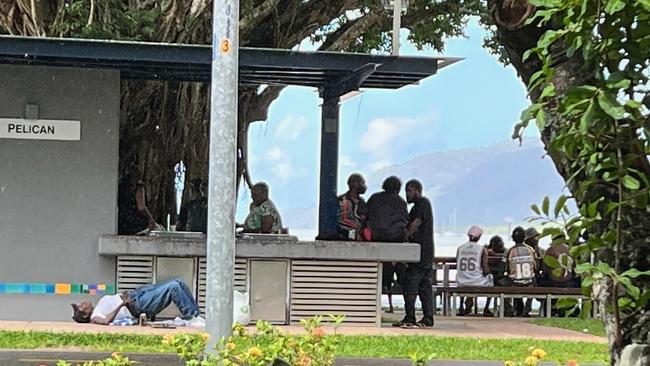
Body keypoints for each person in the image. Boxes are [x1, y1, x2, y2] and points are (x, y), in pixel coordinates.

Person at [71, 278, 203, 326]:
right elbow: (105, 321)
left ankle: (195, 316)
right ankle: (192, 316)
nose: (83, 302)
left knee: (179, 282)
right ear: (85, 315)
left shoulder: (98, 307)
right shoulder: (95, 317)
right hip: (136, 305)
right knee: (173, 287)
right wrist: (121, 304)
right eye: (82, 306)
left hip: (136, 294)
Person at [367, 176, 409, 313]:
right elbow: (404, 222)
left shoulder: (374, 198)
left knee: (377, 279)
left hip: (376, 242)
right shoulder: (401, 203)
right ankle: (408, 307)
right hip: (396, 245)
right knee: (403, 279)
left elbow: (366, 217)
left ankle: (372, 307)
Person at [396, 179, 434, 328]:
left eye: (409, 191)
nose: (407, 194)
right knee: (424, 287)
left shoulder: (421, 204)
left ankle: (410, 316)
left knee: (411, 286)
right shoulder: (419, 206)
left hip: (419, 254)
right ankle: (427, 318)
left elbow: (415, 224)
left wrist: (403, 237)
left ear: (417, 190)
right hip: (426, 253)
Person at [456, 225, 493, 316]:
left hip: (461, 282)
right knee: (491, 279)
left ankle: (461, 306)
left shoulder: (460, 248)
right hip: (476, 282)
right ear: (479, 237)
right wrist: (489, 271)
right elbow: (485, 269)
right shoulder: (482, 249)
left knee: (465, 277)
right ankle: (486, 308)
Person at [503, 226, 537, 317]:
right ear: (524, 237)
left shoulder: (509, 251)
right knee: (534, 281)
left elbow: (504, 269)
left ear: (513, 238)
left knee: (504, 282)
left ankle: (509, 308)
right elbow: (535, 268)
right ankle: (527, 308)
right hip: (529, 282)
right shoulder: (530, 250)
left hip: (514, 282)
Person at [540, 237, 579, 316]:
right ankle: (571, 309)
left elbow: (544, 270)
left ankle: (550, 309)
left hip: (553, 283)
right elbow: (576, 269)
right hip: (569, 283)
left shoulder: (550, 250)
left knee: (542, 280)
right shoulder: (571, 250)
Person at [118, 166, 156, 235]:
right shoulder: (139, 188)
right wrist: (150, 218)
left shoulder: (119, 187)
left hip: (120, 221)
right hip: (133, 221)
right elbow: (141, 207)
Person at [336, 173, 368, 240]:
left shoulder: (362, 201)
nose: (364, 186)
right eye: (362, 183)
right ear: (355, 183)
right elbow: (342, 220)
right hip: (346, 232)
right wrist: (358, 226)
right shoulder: (343, 200)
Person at [523, 227, 544, 316]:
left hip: (536, 278)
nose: (536, 240)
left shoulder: (541, 251)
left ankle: (530, 307)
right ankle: (523, 308)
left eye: (537, 237)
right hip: (523, 278)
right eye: (534, 238)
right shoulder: (523, 250)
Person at [483, 235, 506, 315]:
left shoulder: (488, 253)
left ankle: (505, 307)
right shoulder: (486, 251)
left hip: (495, 277)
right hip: (490, 278)